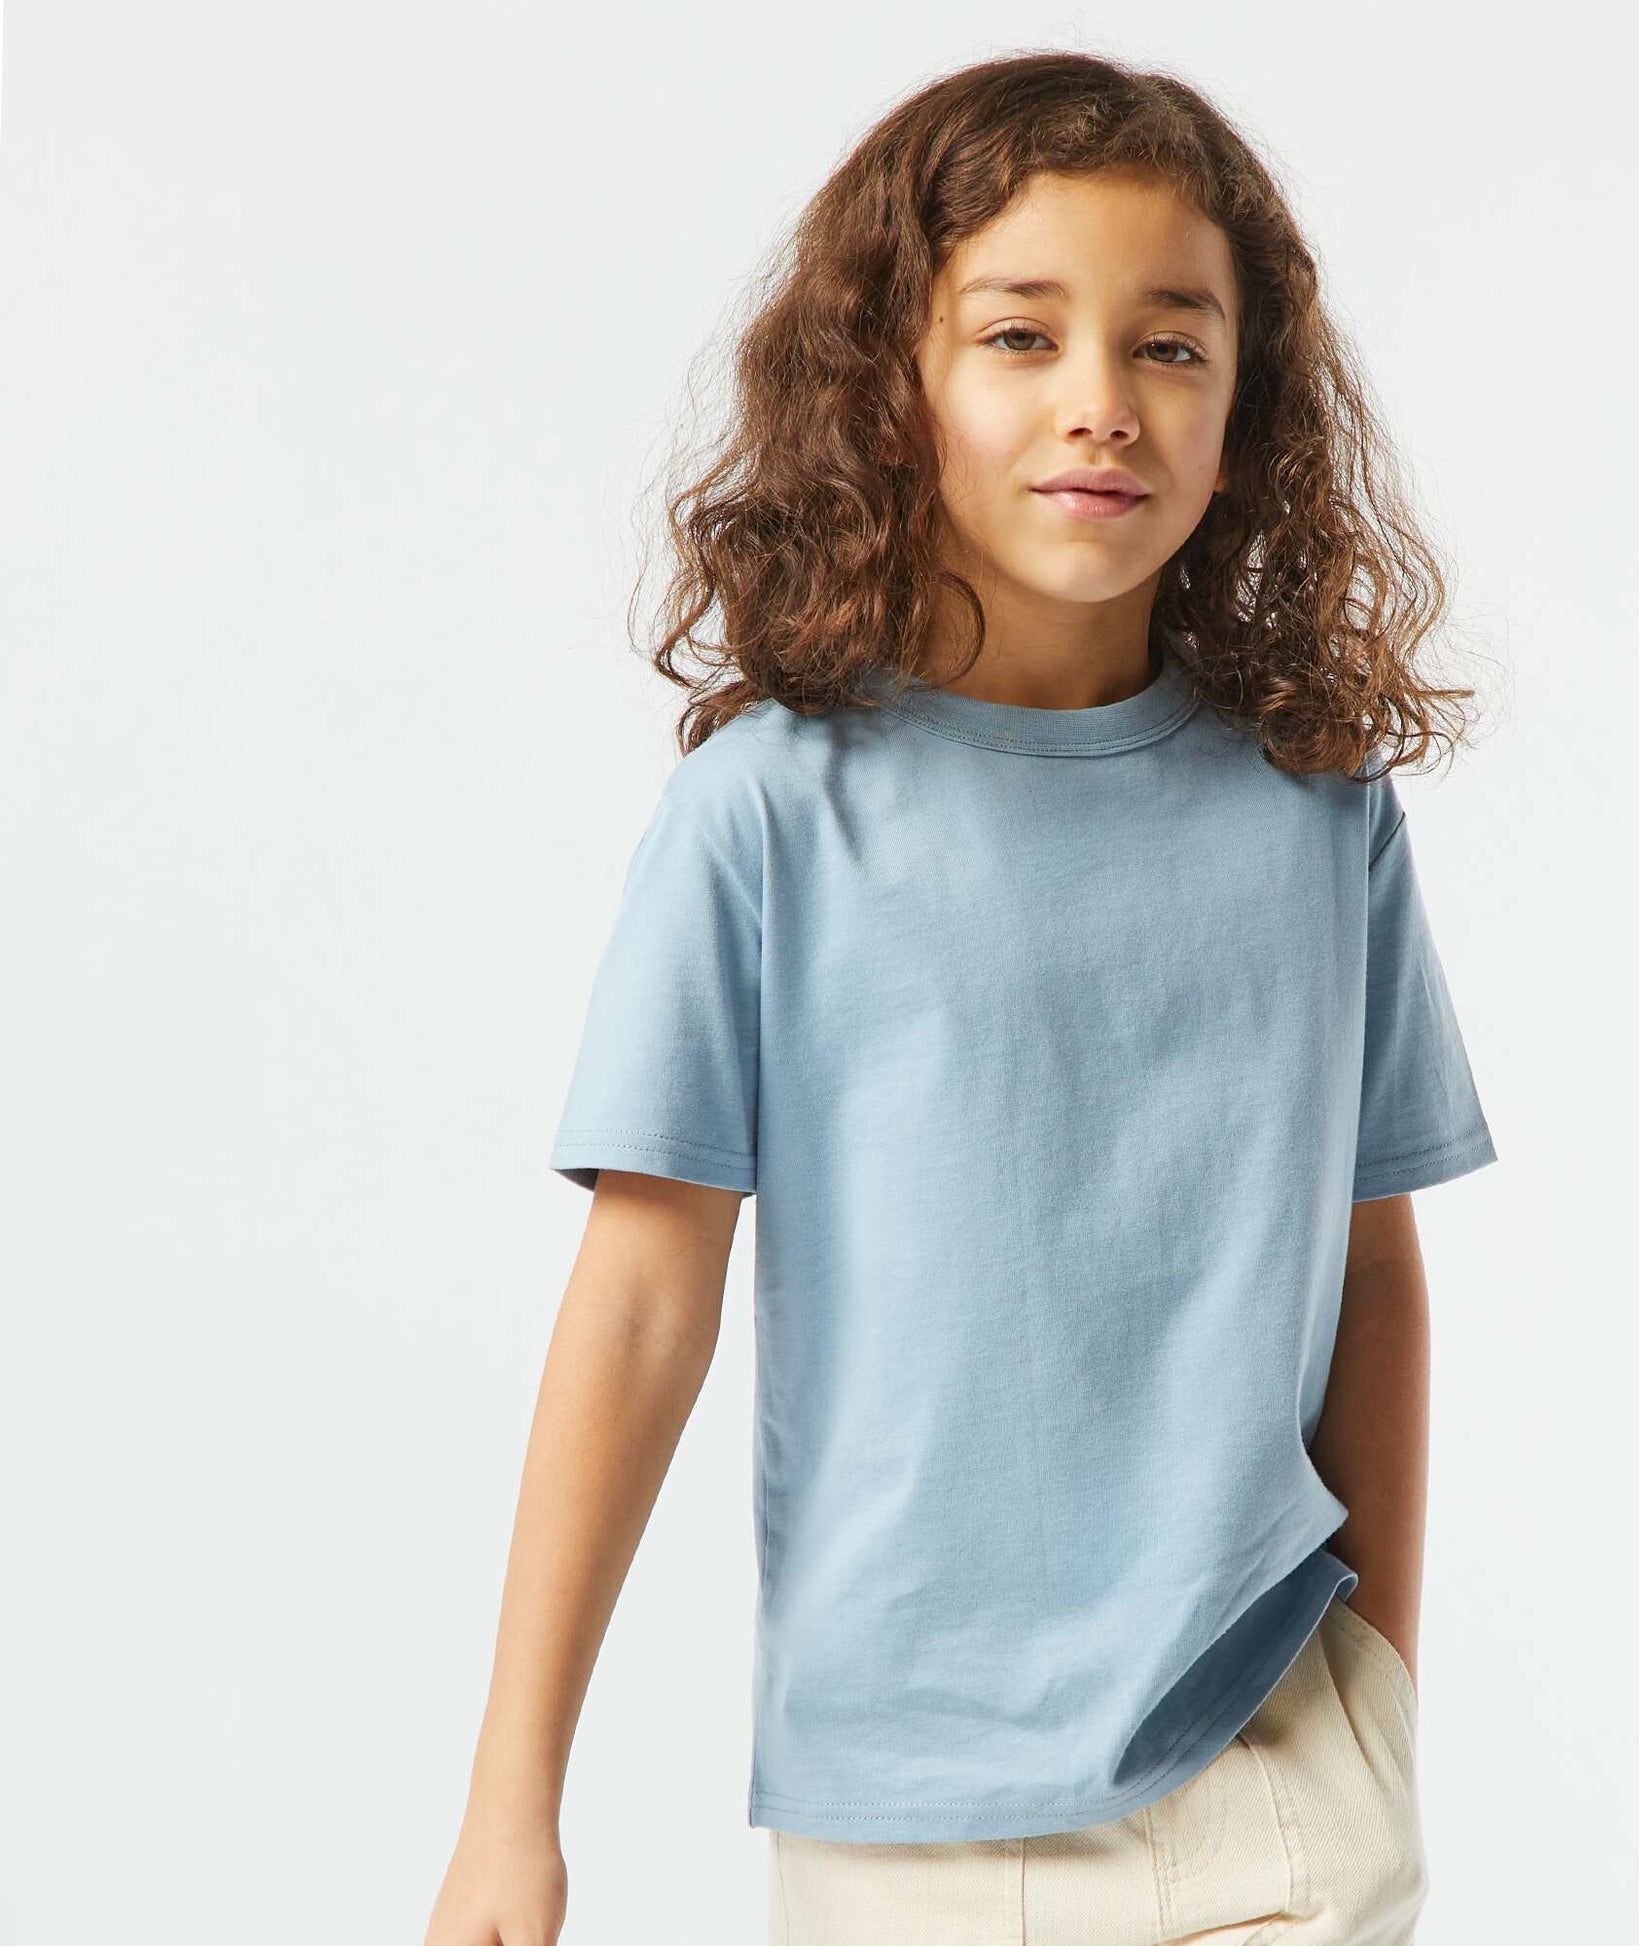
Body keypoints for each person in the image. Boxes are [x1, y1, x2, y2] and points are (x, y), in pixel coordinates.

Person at [426, 49, 1499, 1946]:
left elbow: (1374, 1266)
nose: (1101, 401)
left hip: (1270, 1773)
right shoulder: (770, 815)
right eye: (1019, 334)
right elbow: (643, 1300)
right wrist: (513, 1803)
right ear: (887, 384)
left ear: (1246, 407)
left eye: (1169, 345)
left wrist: (1379, 1695)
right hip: (903, 1820)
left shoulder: (1313, 807)